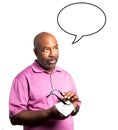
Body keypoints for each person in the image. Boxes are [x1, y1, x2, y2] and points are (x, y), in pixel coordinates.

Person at [9, 32, 81, 130]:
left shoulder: (66, 76)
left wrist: (74, 105)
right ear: (36, 52)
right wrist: (48, 114)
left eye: (55, 48)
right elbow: (15, 117)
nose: (52, 54)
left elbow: (75, 110)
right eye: (46, 49)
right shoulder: (22, 78)